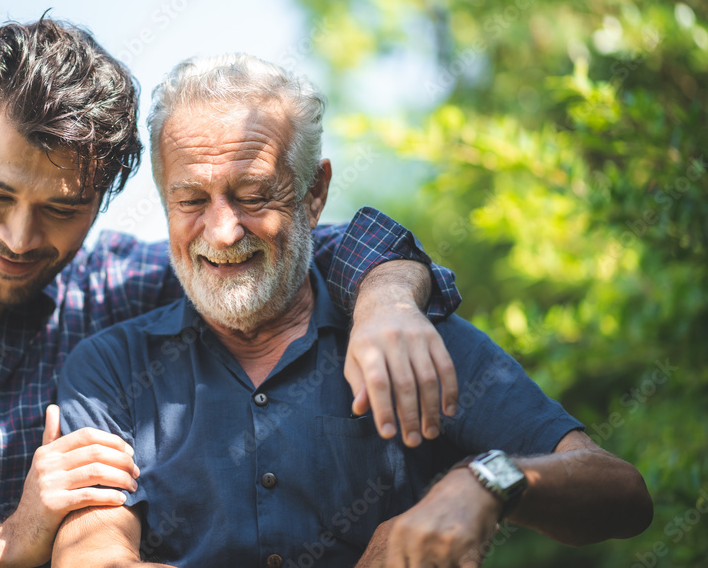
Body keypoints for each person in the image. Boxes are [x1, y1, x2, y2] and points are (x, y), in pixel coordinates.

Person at [0, 18, 464, 568]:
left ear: (107, 197)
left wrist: (388, 298)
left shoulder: (127, 286)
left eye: (61, 210)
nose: (21, 238)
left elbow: (289, 244)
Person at [52, 53, 654, 567]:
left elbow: (622, 495)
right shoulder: (110, 367)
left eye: (254, 195)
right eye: (190, 199)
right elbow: (90, 551)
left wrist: (486, 481)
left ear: (314, 193)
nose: (223, 231)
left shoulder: (408, 337)